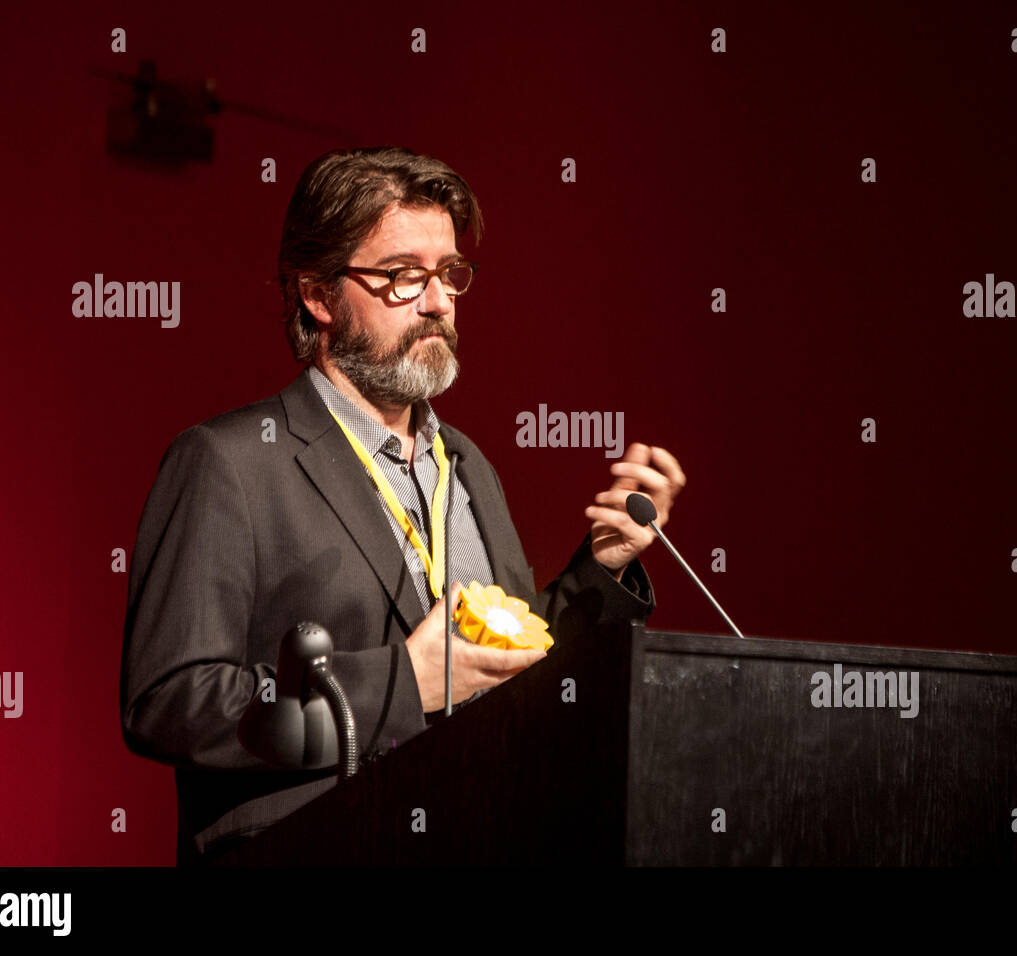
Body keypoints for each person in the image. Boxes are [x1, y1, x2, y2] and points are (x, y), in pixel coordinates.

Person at [119, 146, 686, 864]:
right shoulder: (229, 461)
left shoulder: (468, 466)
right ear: (318, 296)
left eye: (450, 273)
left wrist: (603, 569)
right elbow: (169, 703)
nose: (439, 302)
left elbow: (508, 669)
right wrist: (403, 683)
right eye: (401, 276)